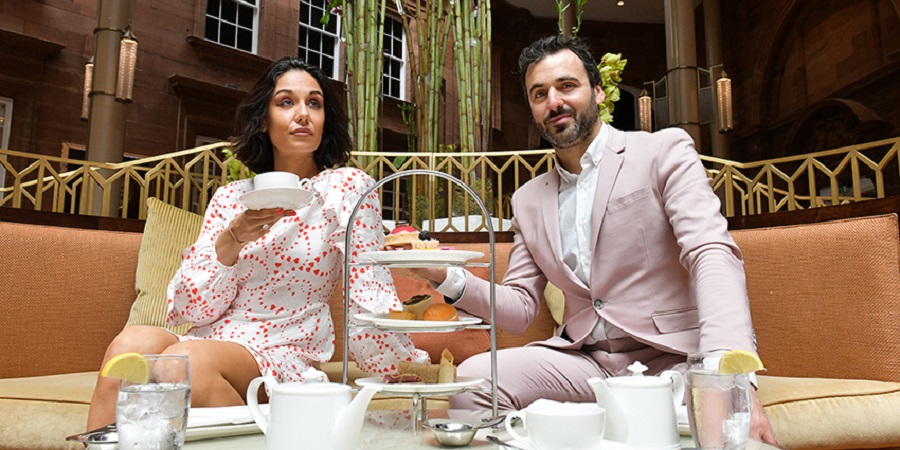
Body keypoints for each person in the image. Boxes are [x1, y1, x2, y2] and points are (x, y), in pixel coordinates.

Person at [412, 35, 778, 443]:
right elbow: (519, 308)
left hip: (673, 360)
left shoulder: (663, 151)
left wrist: (723, 374)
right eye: (540, 93)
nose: (554, 101)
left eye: (567, 86)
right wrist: (444, 275)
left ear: (598, 91)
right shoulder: (528, 200)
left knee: (714, 430)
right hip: (585, 363)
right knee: (474, 381)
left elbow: (710, 251)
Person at [86, 57, 428, 430]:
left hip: (282, 350)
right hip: (210, 338)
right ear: (263, 120)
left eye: (314, 103)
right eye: (286, 102)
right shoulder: (231, 198)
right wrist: (233, 238)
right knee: (130, 344)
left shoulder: (345, 187)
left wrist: (397, 366)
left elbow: (367, 285)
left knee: (184, 361)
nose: (302, 114)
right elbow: (192, 310)